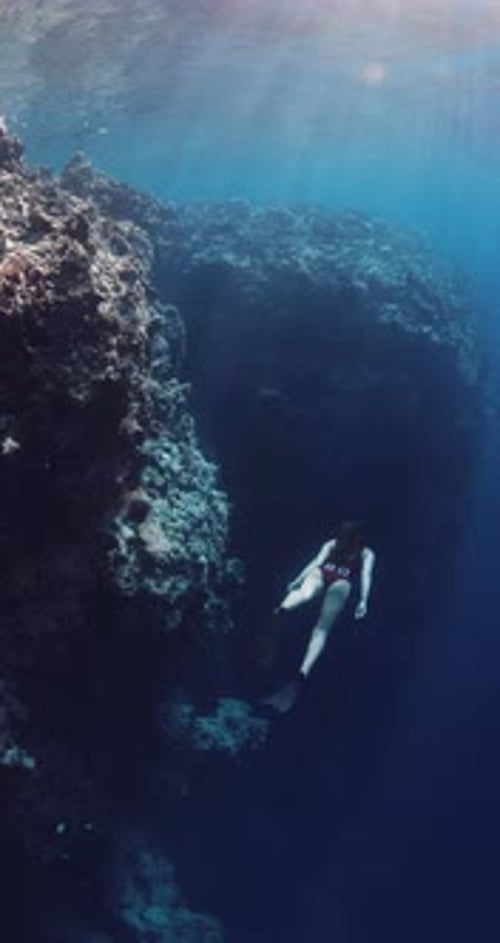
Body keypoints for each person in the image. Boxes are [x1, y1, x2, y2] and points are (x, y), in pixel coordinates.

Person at [264, 521, 375, 713]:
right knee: (320, 624)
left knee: (318, 619)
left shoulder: (362, 552)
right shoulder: (338, 546)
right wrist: (298, 579)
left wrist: (364, 600)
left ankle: (282, 612)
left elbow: (365, 575)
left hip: (336, 579)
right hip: (331, 577)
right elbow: (318, 562)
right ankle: (301, 672)